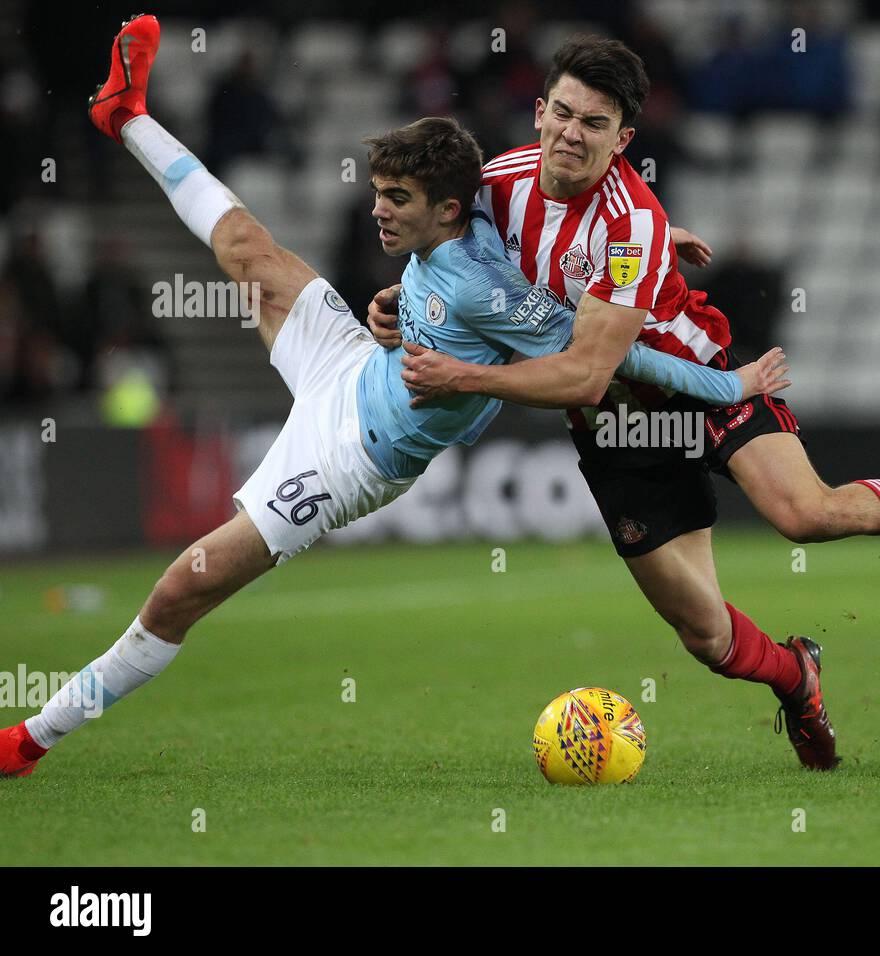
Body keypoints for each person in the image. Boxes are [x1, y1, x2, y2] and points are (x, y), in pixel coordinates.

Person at [0, 16, 787, 778]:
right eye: (380, 191)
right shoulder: (479, 208)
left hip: (350, 458)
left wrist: (728, 382)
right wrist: (660, 233)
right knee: (247, 247)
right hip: (343, 365)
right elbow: (569, 209)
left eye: (395, 199)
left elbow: (617, 363)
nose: (377, 209)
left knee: (186, 583)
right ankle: (128, 116)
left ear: (442, 210)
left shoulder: (499, 296)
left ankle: (32, 739)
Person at [377, 36, 880, 771]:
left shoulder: (632, 227)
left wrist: (459, 375)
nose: (570, 133)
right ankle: (796, 678)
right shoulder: (494, 184)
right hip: (616, 430)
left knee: (806, 514)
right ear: (539, 110)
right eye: (562, 113)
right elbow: (447, 259)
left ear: (623, 139)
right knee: (705, 636)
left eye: (594, 124)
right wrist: (399, 304)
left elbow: (586, 372)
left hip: (697, 381)